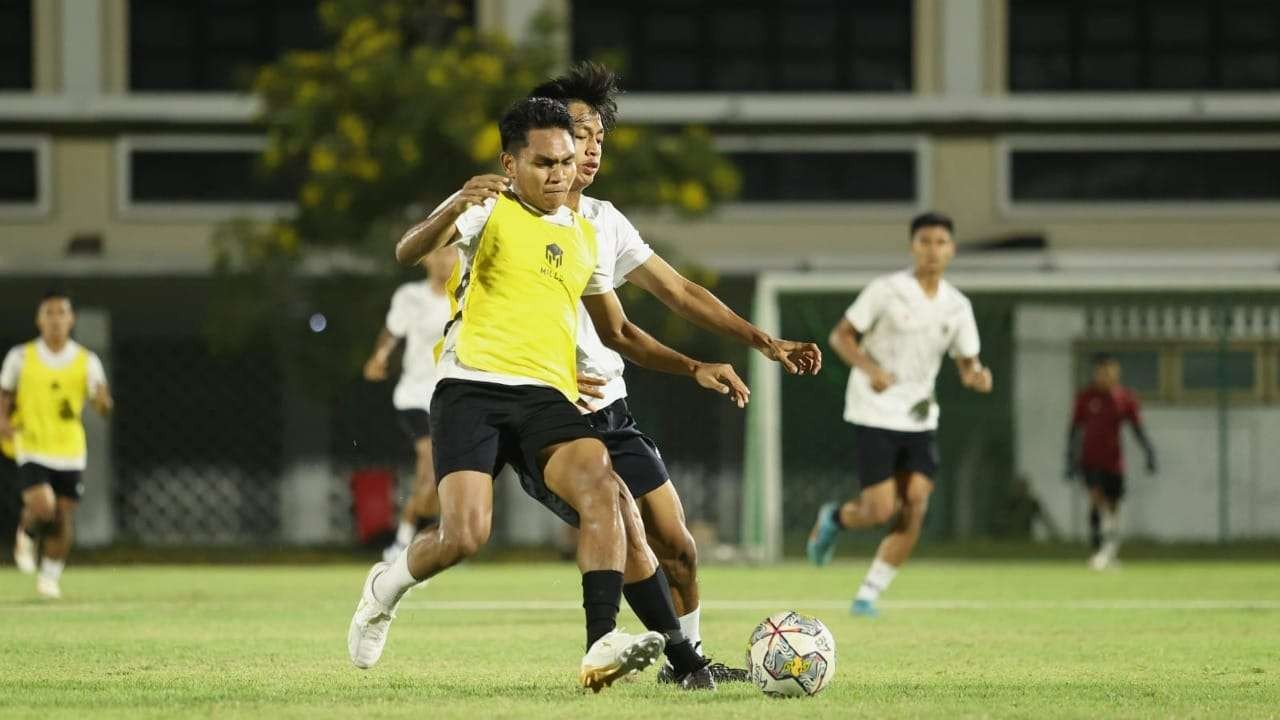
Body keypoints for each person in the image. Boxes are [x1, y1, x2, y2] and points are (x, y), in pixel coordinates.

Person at [435, 61, 821, 683]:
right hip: (547, 411)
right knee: (622, 524)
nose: (590, 151)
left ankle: (681, 664)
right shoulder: (502, 215)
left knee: (679, 546)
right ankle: (655, 657)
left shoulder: (604, 222)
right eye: (579, 135)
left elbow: (672, 297)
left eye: (598, 138)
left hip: (610, 407)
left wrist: (758, 341)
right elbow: (470, 301)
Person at [347, 97, 749, 691]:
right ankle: (385, 588)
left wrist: (686, 366)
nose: (559, 173)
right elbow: (407, 251)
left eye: (566, 161)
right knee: (465, 536)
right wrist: (452, 206)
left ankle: (600, 645)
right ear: (511, 164)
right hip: (471, 390)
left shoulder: (586, 235)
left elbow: (613, 329)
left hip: (545, 398)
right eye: (543, 163)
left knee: (608, 492)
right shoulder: (487, 210)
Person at [806, 211, 992, 617]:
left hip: (920, 418)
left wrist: (977, 376)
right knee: (879, 510)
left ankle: (869, 593)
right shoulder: (886, 290)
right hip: (874, 412)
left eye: (941, 242)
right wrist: (871, 370)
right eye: (925, 241)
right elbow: (841, 336)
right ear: (912, 246)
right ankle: (835, 518)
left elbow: (967, 364)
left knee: (916, 504)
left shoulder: (958, 306)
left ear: (952, 249)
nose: (932, 250)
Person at [0, 290, 113, 599]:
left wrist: (103, 403)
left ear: (71, 319)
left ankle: (49, 576)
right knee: (43, 506)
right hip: (31, 442)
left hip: (69, 449)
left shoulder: (86, 361)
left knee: (62, 515)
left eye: (61, 313)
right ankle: (26, 530)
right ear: (39, 320)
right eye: (49, 313)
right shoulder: (20, 357)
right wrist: (3, 420)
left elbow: (101, 404)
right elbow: (4, 394)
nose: (55, 319)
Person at [362, 246, 457, 561]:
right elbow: (392, 331)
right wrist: (379, 356)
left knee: (446, 479)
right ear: (426, 258)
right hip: (415, 396)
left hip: (454, 399)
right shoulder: (410, 296)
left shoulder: (471, 294)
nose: (445, 259)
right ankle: (401, 545)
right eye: (439, 253)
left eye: (452, 252)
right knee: (430, 469)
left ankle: (430, 539)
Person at [1066, 353, 1157, 570]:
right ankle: (1098, 550)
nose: (1105, 376)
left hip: (1114, 463)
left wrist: (1149, 452)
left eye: (1109, 371)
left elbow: (1137, 429)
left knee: (1114, 507)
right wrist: (1070, 458)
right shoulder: (1086, 397)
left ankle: (1111, 550)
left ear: (1116, 373)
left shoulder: (1124, 398)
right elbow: (1075, 430)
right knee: (1096, 500)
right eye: (1101, 371)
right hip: (1090, 461)